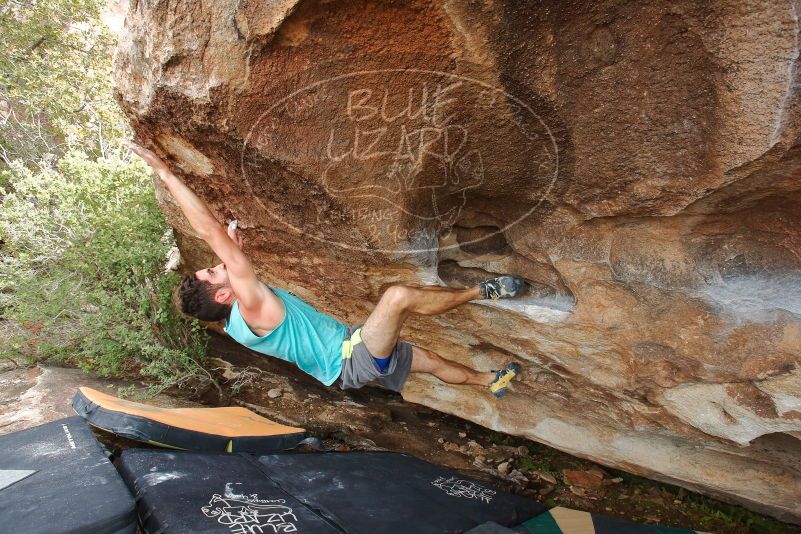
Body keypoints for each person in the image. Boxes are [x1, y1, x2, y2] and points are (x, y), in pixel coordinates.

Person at [127, 141, 525, 398]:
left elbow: (228, 251)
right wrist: (164, 172)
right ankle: (482, 292)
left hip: (349, 356)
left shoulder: (239, 320)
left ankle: (490, 382)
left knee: (431, 362)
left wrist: (235, 253)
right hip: (352, 361)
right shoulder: (250, 308)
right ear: (224, 295)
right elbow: (211, 231)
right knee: (397, 297)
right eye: (214, 274)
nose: (217, 266)